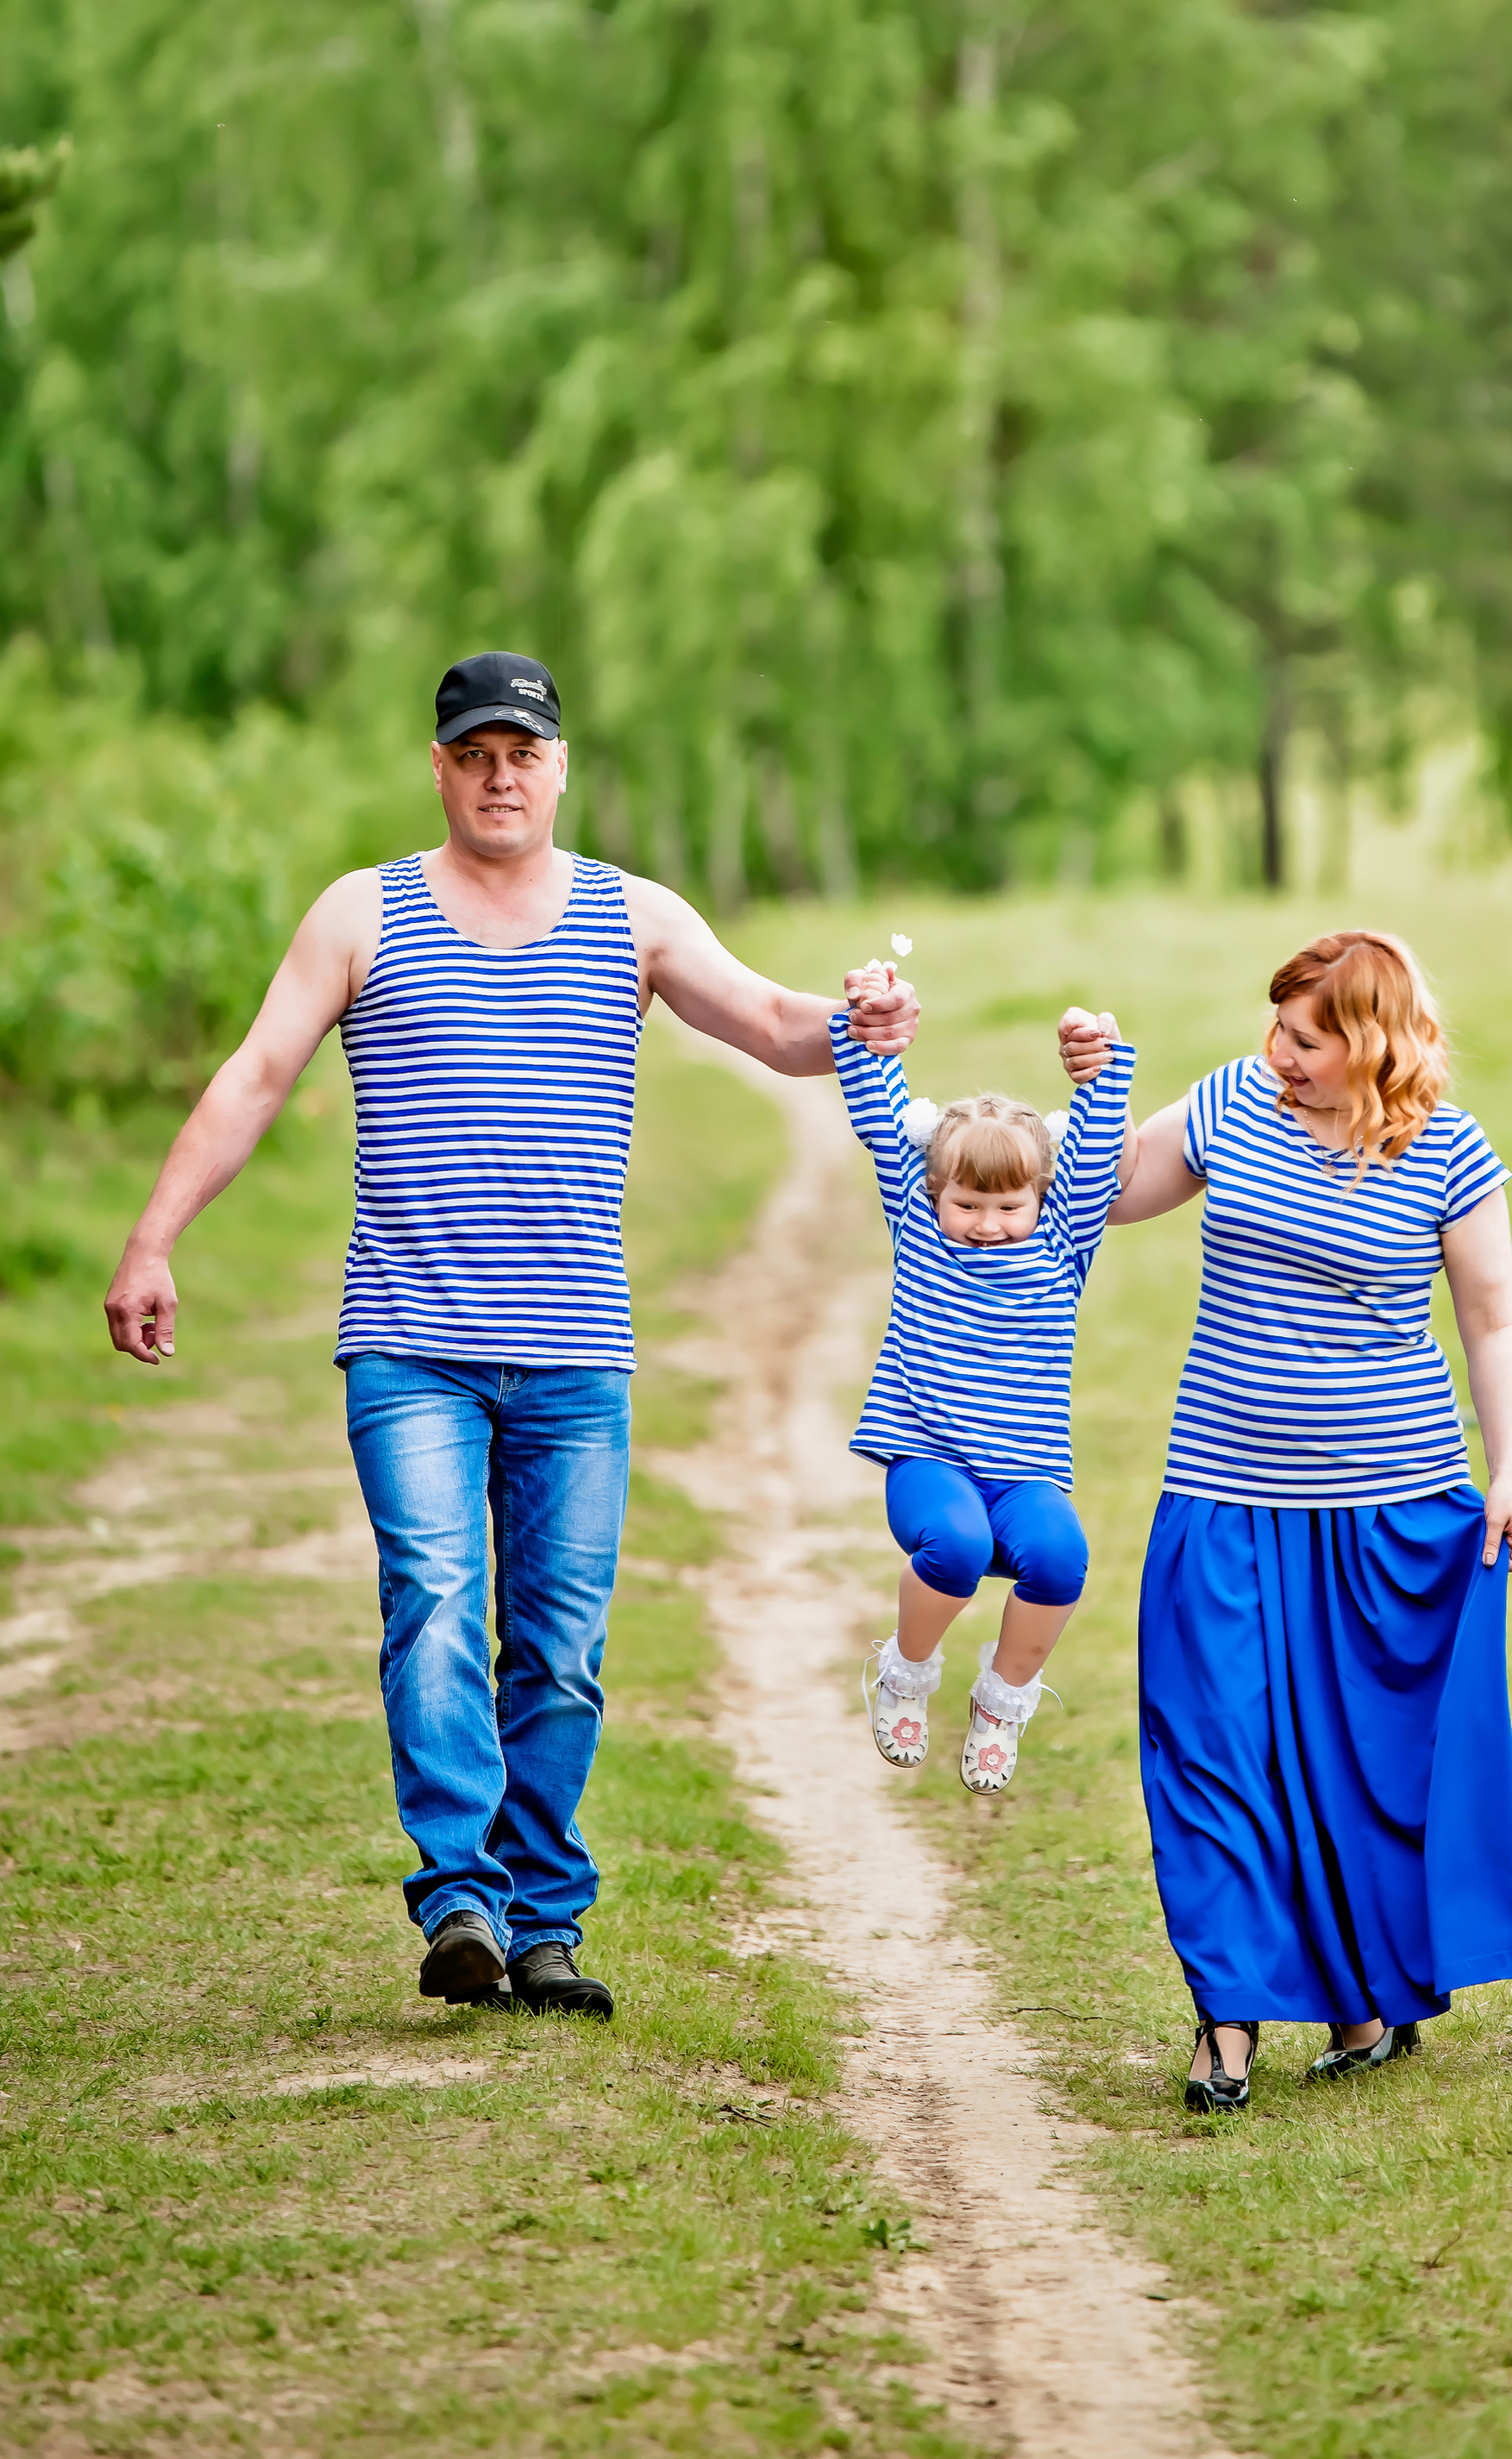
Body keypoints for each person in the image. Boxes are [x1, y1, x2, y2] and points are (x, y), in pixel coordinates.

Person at [104, 649, 917, 2022]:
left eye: (522, 754)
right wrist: (151, 1238)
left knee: (560, 1650)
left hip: (575, 1355)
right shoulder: (360, 912)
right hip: (410, 1341)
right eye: (474, 755)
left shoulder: (634, 914)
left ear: (559, 767)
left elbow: (777, 1024)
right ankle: (462, 1903)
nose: (500, 777)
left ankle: (543, 1929)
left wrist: (859, 1023)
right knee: (433, 1603)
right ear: (438, 768)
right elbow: (254, 1075)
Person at [1060, 927, 1512, 2114]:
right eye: (1277, 1029)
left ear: (1374, 1045)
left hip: (1388, 1510)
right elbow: (1111, 1192)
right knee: (1210, 1750)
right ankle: (1225, 2019)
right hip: (1221, 1496)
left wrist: (1510, 1471)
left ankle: (1366, 1999)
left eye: (1307, 1041)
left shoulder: (1448, 1151)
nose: (1279, 1053)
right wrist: (1096, 1088)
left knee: (1360, 1772)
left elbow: (1492, 1319)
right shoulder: (1233, 1100)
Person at [834, 984, 1136, 1793]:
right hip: (927, 1456)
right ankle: (906, 1672)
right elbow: (878, 1115)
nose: (988, 1223)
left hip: (1024, 1472)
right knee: (957, 1546)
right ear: (935, 1193)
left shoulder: (1063, 1244)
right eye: (967, 1203)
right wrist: (870, 1029)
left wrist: (1101, 1068)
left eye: (1009, 1205)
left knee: (1062, 1558)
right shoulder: (920, 1230)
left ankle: (1002, 1701)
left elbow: (1097, 1154)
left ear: (1043, 1199)